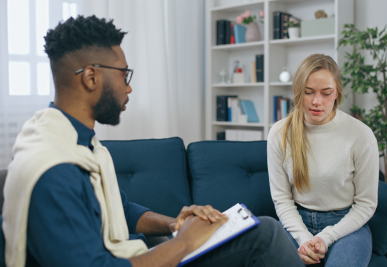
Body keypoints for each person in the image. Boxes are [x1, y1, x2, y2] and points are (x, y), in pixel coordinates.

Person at [2, 15, 304, 267]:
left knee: (261, 228)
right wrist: (185, 241)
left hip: (140, 251)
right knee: (266, 236)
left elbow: (123, 209)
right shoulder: (55, 172)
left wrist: (174, 224)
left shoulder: (79, 142)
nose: (129, 89)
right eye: (124, 75)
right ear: (91, 77)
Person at [267, 54, 379, 266]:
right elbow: (282, 199)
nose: (317, 101)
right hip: (295, 223)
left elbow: (366, 204)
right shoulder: (280, 133)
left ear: (337, 93)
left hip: (347, 225)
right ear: (298, 92)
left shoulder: (361, 135)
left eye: (326, 93)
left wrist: (326, 238)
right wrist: (304, 239)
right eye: (309, 93)